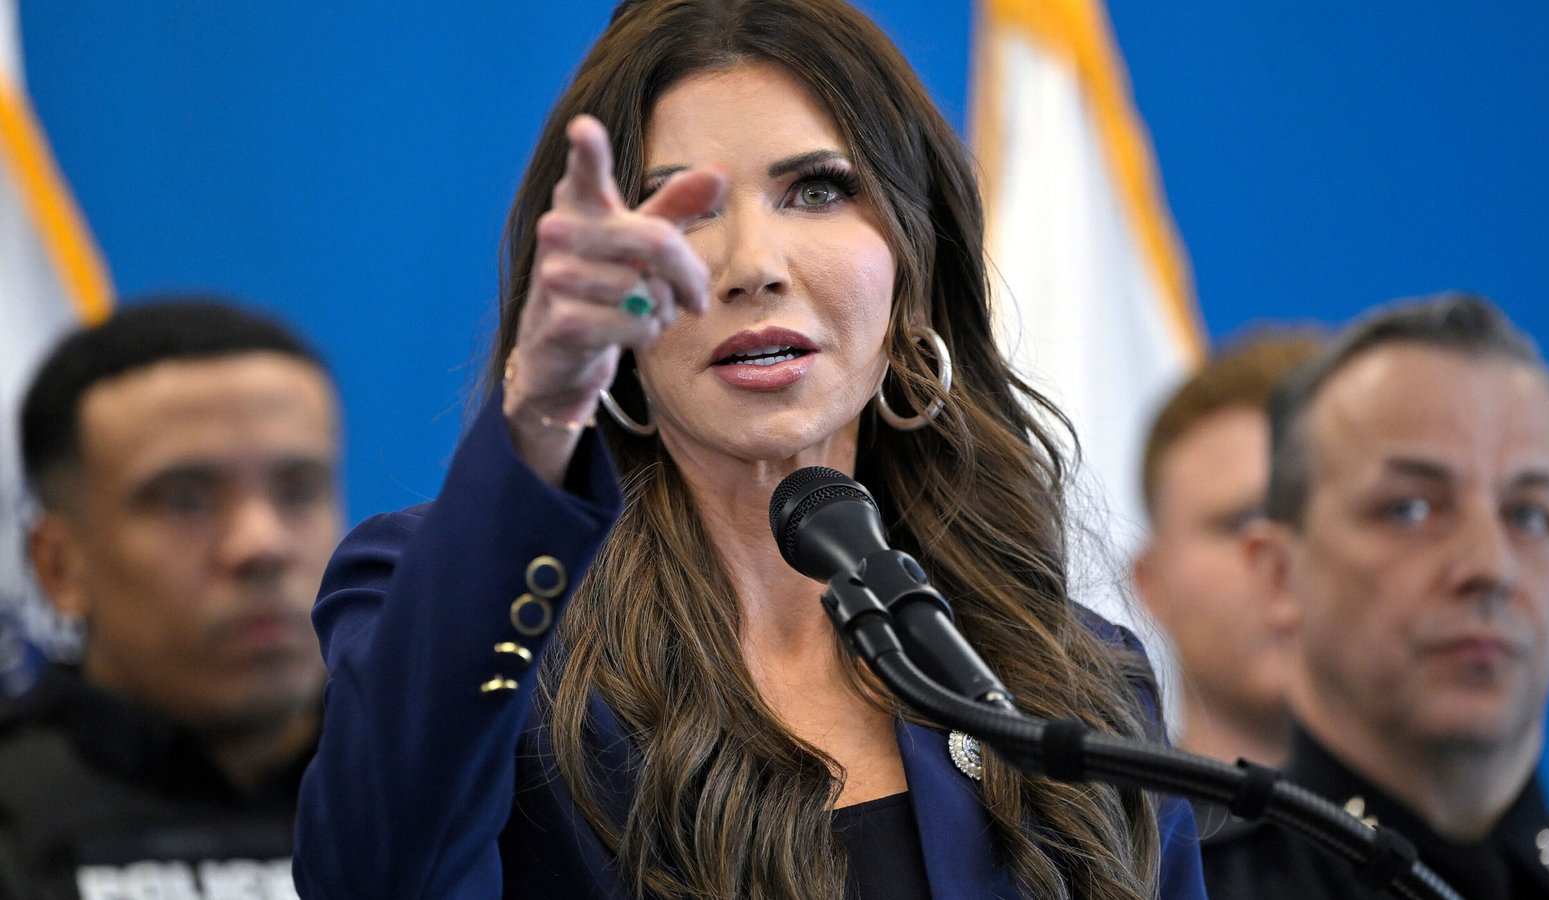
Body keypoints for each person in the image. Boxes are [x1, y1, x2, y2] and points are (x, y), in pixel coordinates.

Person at [293, 2, 1206, 898]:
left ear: (914, 276)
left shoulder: (1081, 678)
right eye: (678, 210)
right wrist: (538, 417)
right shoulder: (459, 606)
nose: (751, 264)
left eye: (817, 190)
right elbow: (378, 874)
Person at [1202, 294, 1549, 899]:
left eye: (1528, 515)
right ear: (1278, 573)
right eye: (1411, 509)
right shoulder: (1176, 886)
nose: (1490, 568)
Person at [0, 299, 342, 899]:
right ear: (59, 565)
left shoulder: (458, 791)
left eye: (298, 491)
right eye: (185, 499)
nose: (261, 545)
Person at [1134, 332, 1320, 768]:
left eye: (1317, 519)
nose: (1287, 561)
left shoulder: (1486, 828)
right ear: (1150, 581)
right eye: (1245, 523)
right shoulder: (1074, 836)